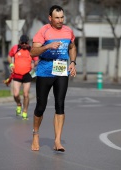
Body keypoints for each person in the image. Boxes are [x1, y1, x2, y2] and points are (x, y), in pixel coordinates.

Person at [30, 5, 77, 152]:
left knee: (60, 104)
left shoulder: (68, 31)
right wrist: (47, 46)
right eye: (57, 18)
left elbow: (72, 47)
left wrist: (73, 63)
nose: (60, 20)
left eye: (62, 17)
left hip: (61, 69)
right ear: (50, 18)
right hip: (45, 70)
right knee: (41, 106)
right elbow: (33, 52)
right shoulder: (43, 31)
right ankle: (36, 134)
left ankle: (57, 141)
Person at [8, 35, 38, 119]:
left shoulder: (31, 49)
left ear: (28, 42)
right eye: (22, 43)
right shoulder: (15, 48)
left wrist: (34, 64)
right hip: (17, 74)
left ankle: (25, 111)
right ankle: (18, 104)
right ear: (19, 42)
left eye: (26, 43)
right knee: (16, 94)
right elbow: (9, 56)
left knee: (25, 95)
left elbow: (36, 60)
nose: (24, 44)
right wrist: (11, 64)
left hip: (27, 75)